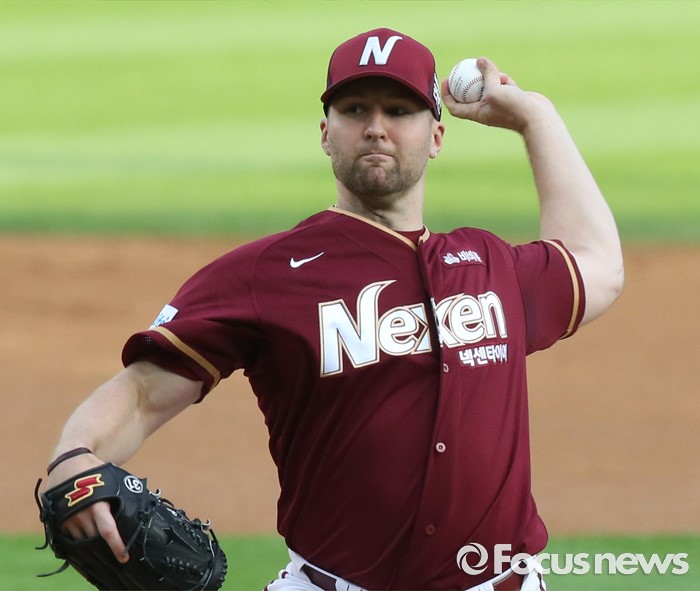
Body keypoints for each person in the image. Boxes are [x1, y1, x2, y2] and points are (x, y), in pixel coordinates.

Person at [43, 27, 623, 591]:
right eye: (355, 110)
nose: (376, 128)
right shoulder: (264, 273)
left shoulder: (491, 267)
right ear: (326, 133)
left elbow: (597, 264)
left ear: (436, 136)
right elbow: (143, 392)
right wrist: (74, 456)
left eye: (399, 111)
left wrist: (535, 117)